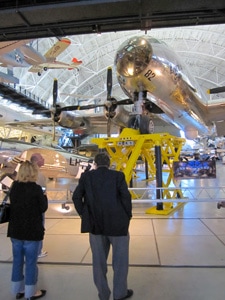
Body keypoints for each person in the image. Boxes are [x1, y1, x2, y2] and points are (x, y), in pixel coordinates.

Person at [72, 153, 133, 300]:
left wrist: (84, 214)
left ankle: (103, 294)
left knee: (98, 263)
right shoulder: (118, 176)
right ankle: (120, 294)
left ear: (95, 163)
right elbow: (126, 197)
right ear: (109, 162)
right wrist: (127, 216)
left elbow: (76, 197)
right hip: (118, 226)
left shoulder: (87, 177)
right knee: (120, 263)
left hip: (95, 225)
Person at [7, 161, 48, 300]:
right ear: (33, 173)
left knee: (17, 261)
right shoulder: (36, 189)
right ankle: (31, 292)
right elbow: (43, 208)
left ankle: (18, 289)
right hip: (32, 231)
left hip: (16, 231)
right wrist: (45, 196)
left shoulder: (14, 187)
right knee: (31, 263)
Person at [30, 153, 48, 258]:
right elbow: (42, 191)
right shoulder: (38, 174)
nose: (43, 159)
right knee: (39, 227)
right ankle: (37, 251)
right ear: (36, 161)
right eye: (41, 158)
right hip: (38, 206)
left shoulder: (29, 172)